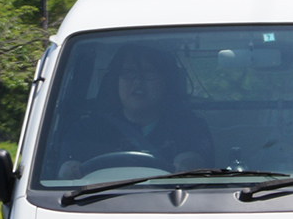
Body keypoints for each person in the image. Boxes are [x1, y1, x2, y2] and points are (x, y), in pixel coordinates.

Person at [55, 45, 214, 179]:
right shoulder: (86, 130)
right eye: (129, 72)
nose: (138, 81)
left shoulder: (189, 127)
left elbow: (194, 164)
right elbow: (66, 174)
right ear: (114, 81)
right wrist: (70, 168)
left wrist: (188, 164)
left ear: (167, 81)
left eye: (149, 72)